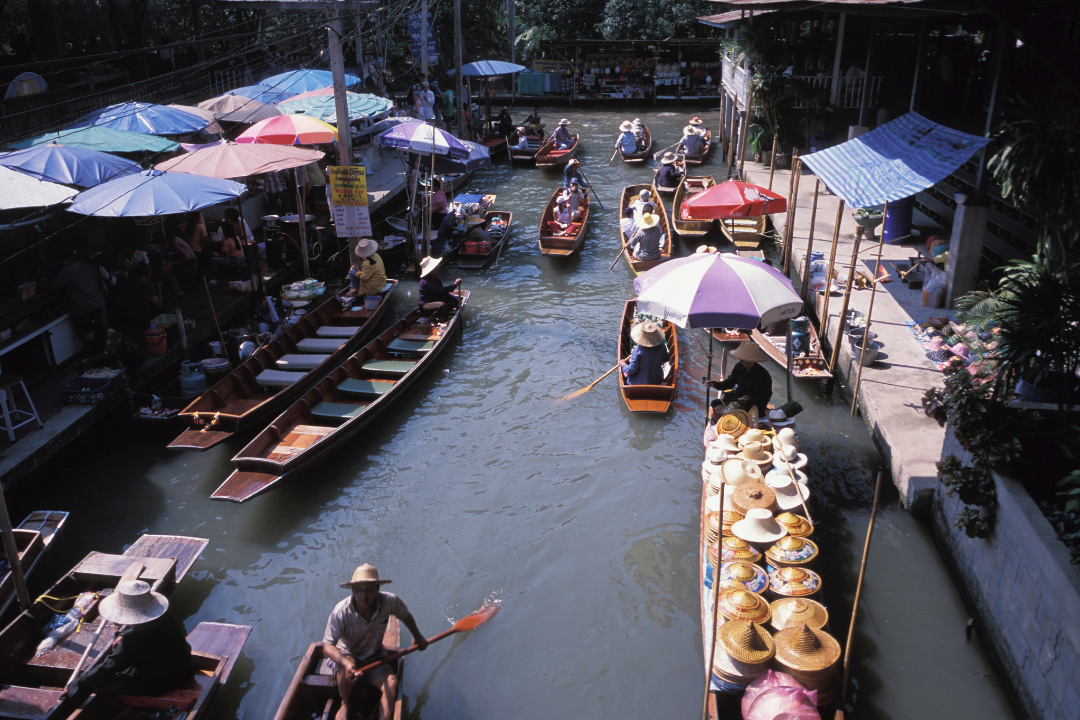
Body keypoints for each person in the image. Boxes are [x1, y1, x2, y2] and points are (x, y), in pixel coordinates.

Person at [323, 565, 427, 720]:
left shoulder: (389, 602)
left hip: (375, 658)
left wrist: (418, 637)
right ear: (353, 590)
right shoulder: (341, 612)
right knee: (344, 671)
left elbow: (405, 616)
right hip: (348, 655)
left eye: (369, 590)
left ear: (378, 588)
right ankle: (346, 705)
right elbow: (327, 646)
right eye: (359, 590)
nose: (364, 595)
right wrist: (345, 663)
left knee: (391, 684)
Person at [69, 579, 192, 697]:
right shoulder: (165, 618)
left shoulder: (133, 641)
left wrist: (78, 683)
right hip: (183, 666)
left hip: (162, 681)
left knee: (96, 685)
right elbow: (145, 628)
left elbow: (111, 665)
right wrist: (123, 634)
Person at [705, 342, 773, 414]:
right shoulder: (738, 367)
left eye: (749, 362)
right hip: (739, 398)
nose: (746, 365)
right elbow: (730, 383)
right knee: (714, 403)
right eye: (743, 361)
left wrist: (751, 399)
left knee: (735, 410)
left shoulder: (763, 374)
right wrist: (714, 384)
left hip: (756, 403)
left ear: (754, 360)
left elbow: (766, 395)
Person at [52, 247, 108, 333]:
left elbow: (54, 285)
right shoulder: (87, 263)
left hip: (82, 307)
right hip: (98, 301)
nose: (61, 264)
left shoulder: (67, 271)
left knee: (88, 334)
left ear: (70, 259)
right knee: (103, 331)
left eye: (63, 261)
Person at [74, 316, 145, 377]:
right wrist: (77, 368)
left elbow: (108, 353)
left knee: (131, 358)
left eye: (85, 336)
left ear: (92, 332)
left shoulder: (109, 333)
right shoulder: (95, 340)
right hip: (120, 357)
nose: (85, 339)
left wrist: (88, 360)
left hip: (133, 354)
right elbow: (91, 354)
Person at [113, 263, 162, 340]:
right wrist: (159, 289)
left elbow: (117, 304)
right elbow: (158, 304)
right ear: (143, 276)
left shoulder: (122, 287)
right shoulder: (147, 287)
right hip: (144, 320)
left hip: (128, 320)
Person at [621, 321, 668, 386]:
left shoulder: (637, 351)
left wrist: (623, 365)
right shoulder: (662, 347)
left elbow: (631, 369)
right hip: (656, 381)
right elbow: (666, 358)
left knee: (627, 372)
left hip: (638, 383)